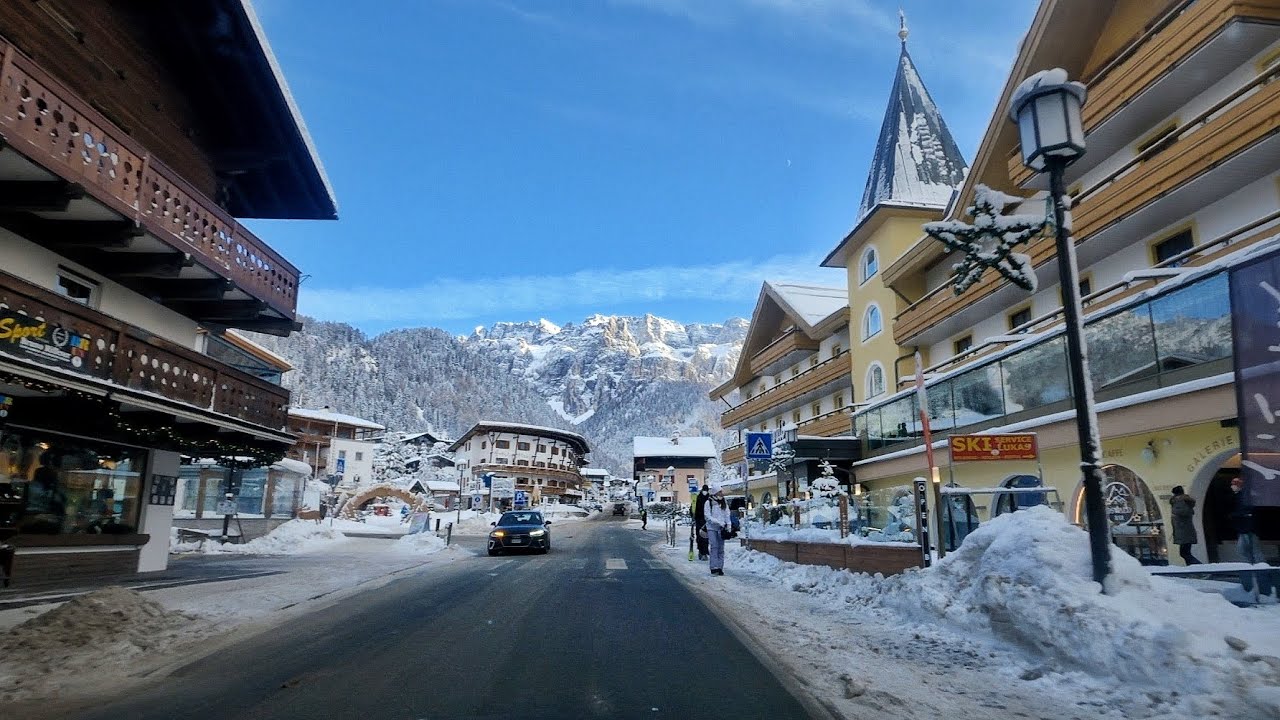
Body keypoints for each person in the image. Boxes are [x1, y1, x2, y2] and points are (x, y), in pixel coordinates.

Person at [1229, 476, 1262, 564]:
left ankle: (1260, 569)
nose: (1231, 487)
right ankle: (1254, 566)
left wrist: (1235, 515)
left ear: (1239, 486)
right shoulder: (1239, 496)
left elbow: (1247, 510)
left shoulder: (1245, 496)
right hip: (1244, 528)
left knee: (1252, 550)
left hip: (1248, 528)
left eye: (1233, 485)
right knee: (1245, 550)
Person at [1169, 486, 1200, 565]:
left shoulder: (1179, 502)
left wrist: (1174, 513)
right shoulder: (1184, 501)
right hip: (1185, 531)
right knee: (1185, 553)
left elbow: (1183, 512)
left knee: (1184, 553)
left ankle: (1199, 567)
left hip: (1184, 532)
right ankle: (1193, 569)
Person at [705, 485, 730, 576]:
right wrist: (717, 522)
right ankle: (714, 567)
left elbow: (727, 514)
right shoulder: (709, 503)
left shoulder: (724, 502)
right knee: (714, 546)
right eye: (719, 492)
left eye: (721, 492)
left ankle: (720, 567)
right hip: (711, 528)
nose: (721, 493)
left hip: (722, 528)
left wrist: (728, 524)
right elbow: (707, 516)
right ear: (715, 492)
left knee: (721, 548)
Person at [693, 484, 710, 560]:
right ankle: (701, 551)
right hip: (699, 520)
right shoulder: (698, 498)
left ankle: (705, 552)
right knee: (699, 536)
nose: (705, 492)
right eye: (704, 490)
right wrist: (693, 515)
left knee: (706, 537)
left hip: (707, 521)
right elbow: (693, 508)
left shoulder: (709, 498)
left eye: (706, 490)